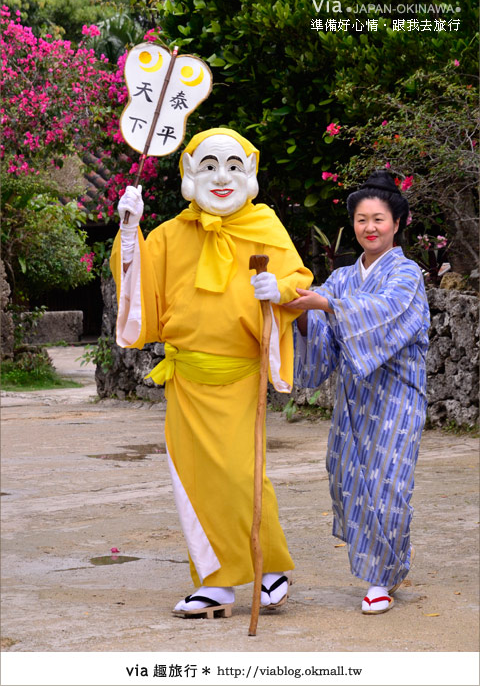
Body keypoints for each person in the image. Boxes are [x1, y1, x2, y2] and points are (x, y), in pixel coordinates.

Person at [110, 127, 312, 617]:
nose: (221, 177)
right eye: (208, 166)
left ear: (251, 174)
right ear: (188, 175)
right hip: (187, 379)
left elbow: (298, 279)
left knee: (244, 474)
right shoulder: (171, 234)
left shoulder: (264, 225)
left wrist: (276, 289)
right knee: (194, 480)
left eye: (233, 166)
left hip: (241, 375)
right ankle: (215, 583)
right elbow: (137, 287)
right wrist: (129, 231)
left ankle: (270, 569)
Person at [285, 170, 430, 615]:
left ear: (397, 223)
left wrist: (324, 304)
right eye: (362, 219)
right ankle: (380, 570)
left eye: (379, 219)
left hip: (397, 399)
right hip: (352, 403)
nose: (370, 227)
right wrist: (303, 314)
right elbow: (323, 336)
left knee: (389, 485)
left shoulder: (407, 275)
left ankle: (380, 579)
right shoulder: (343, 278)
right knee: (350, 483)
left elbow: (384, 313)